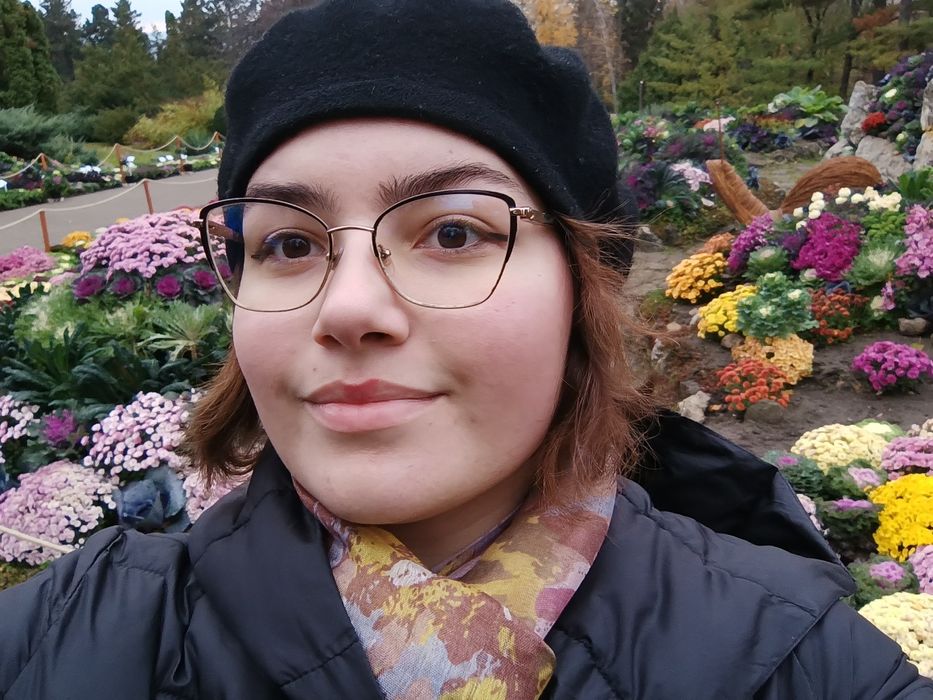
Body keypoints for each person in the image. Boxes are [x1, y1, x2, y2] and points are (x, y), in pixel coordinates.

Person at [1, 1, 932, 698]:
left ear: (583, 287)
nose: (348, 307)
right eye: (286, 242)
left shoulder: (795, 662)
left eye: (452, 232)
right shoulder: (64, 641)